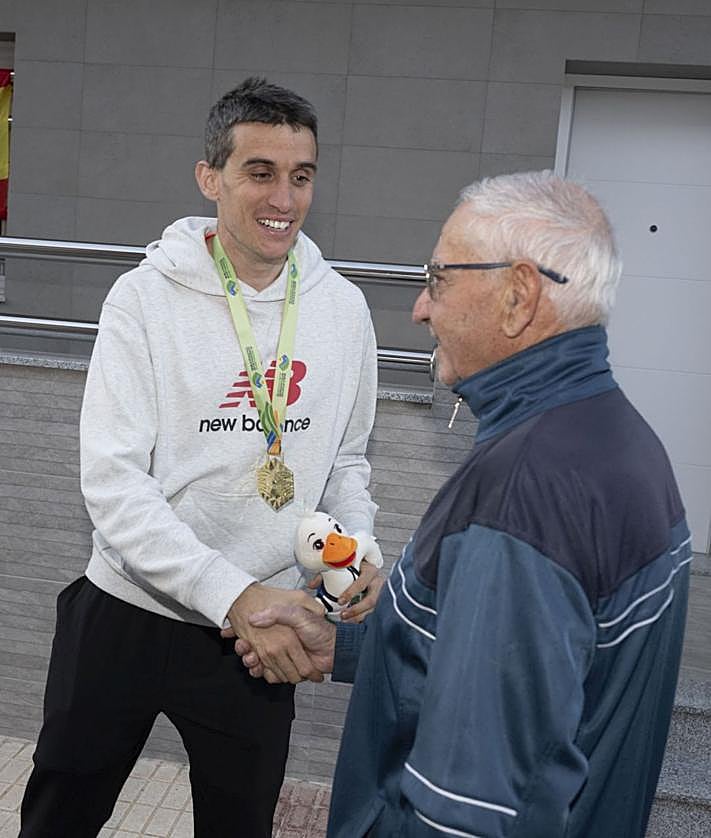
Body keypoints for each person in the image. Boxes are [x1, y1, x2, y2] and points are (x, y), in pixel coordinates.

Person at [236, 171, 692, 837]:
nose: (421, 307)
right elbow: (526, 667)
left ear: (517, 295)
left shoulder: (523, 493)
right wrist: (348, 647)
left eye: (439, 279)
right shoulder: (619, 441)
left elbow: (470, 811)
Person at [20, 77, 382, 838]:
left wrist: (358, 549)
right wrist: (233, 595)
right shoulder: (143, 300)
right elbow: (114, 488)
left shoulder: (342, 309)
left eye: (301, 175)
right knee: (60, 813)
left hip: (256, 641)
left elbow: (346, 459)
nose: (284, 196)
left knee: (241, 825)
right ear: (210, 177)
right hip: (129, 611)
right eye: (260, 172)